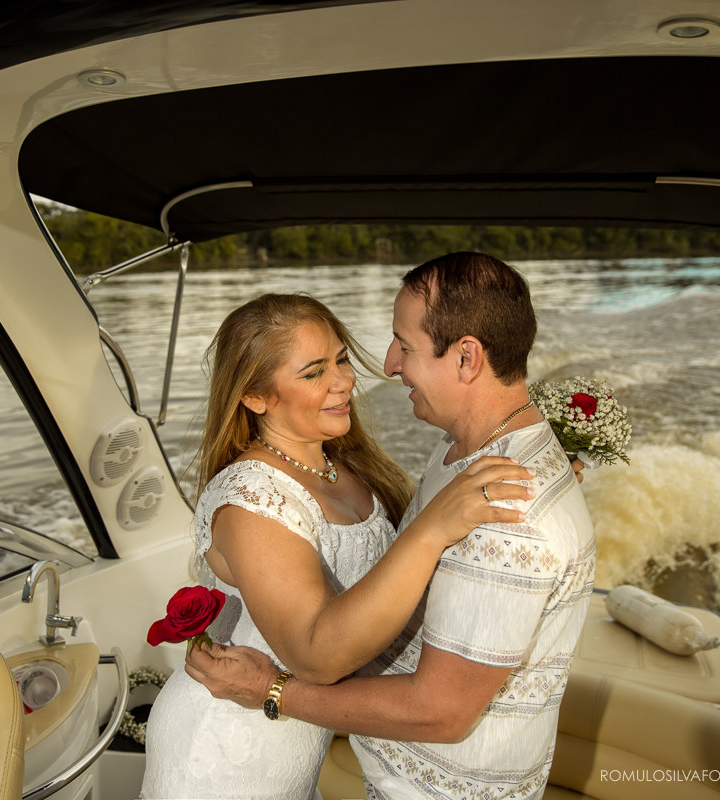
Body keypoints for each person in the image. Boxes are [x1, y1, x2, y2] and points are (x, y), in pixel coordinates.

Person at [187, 252, 597, 800]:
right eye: (315, 371)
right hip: (228, 749)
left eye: (403, 346)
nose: (378, 367)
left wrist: (543, 477)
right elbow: (328, 641)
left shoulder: (425, 476)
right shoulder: (456, 458)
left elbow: (440, 710)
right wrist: (432, 527)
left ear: (468, 357)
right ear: (255, 396)